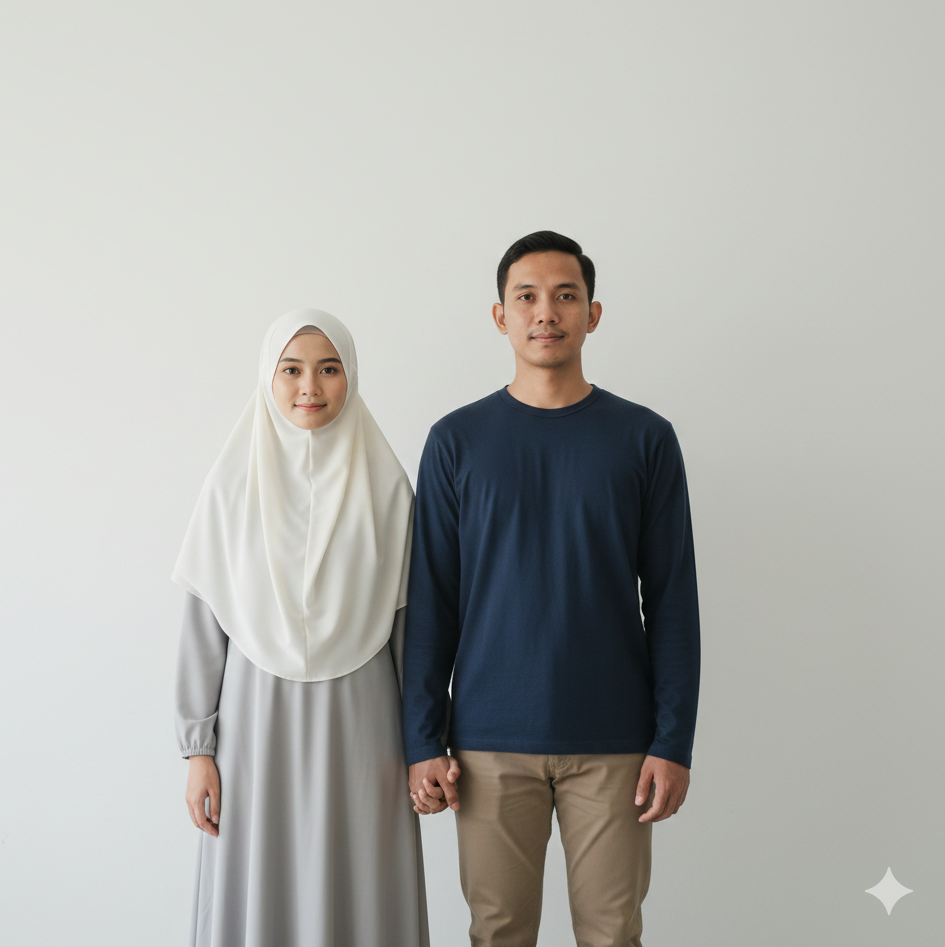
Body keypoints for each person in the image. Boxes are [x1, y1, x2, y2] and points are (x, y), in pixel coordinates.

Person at [402, 232, 701, 947]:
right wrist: (421, 740)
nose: (546, 312)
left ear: (592, 314)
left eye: (565, 295)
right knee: (497, 933)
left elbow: (672, 603)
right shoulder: (456, 442)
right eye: (526, 297)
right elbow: (431, 602)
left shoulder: (644, 440)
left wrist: (674, 741)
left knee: (612, 933)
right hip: (485, 748)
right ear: (499, 316)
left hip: (617, 747)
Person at [172, 308, 429, 947]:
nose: (309, 386)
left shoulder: (388, 488)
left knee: (362, 879)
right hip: (254, 725)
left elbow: (410, 632)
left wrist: (424, 743)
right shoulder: (231, 488)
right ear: (268, 377)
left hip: (364, 722)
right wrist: (197, 750)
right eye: (291, 369)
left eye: (328, 369)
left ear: (351, 378)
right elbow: (205, 625)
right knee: (258, 884)